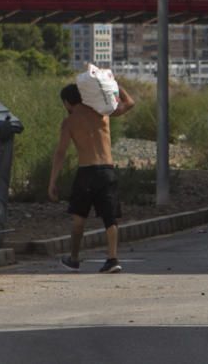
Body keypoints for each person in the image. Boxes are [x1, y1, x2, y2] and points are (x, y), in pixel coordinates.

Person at [48, 81, 135, 273]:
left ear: (67, 103)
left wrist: (53, 180)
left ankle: (74, 258)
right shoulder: (102, 113)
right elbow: (129, 103)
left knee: (79, 218)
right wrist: (115, 83)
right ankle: (112, 259)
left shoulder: (69, 122)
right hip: (107, 171)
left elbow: (60, 153)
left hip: (86, 172)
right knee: (109, 217)